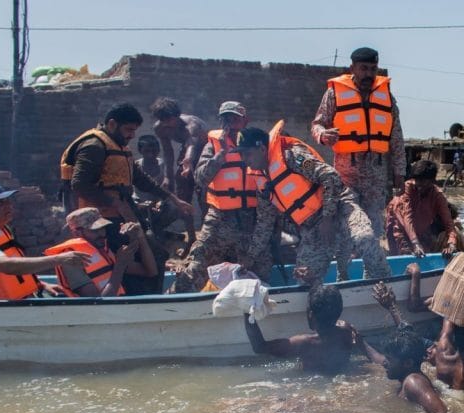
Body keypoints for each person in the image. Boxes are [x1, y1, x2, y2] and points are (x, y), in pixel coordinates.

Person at [61, 102, 193, 293]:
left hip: (122, 214)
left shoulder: (119, 147)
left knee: (155, 254)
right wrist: (114, 203)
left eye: (134, 130)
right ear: (112, 124)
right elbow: (80, 184)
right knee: (135, 259)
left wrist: (173, 199)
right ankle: (133, 299)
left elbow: (140, 179)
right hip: (100, 221)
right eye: (128, 130)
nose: (132, 135)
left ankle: (150, 299)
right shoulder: (93, 146)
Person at [239, 124, 391, 287]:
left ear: (262, 149)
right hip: (312, 228)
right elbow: (264, 223)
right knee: (303, 278)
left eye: (247, 154)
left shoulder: (292, 156)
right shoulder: (261, 181)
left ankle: (388, 285)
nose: (244, 160)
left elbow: (329, 176)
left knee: (365, 239)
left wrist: (328, 216)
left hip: (340, 206)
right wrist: (251, 256)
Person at [174, 103, 275, 292]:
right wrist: (219, 158)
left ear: (245, 121)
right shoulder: (213, 145)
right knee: (197, 263)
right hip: (219, 218)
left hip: (251, 219)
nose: (231, 123)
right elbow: (200, 178)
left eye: (236, 119)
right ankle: (177, 303)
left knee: (260, 266)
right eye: (226, 118)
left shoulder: (258, 143)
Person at [311, 46, 406, 241]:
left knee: (373, 229)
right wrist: (322, 134)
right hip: (347, 175)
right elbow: (317, 123)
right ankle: (345, 268)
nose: (369, 74)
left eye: (373, 69)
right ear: (352, 68)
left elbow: (396, 137)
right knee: (347, 224)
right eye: (363, 68)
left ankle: (372, 268)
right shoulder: (333, 94)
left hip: (376, 176)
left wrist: (400, 172)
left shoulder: (387, 98)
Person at [357, 287, 448, 413]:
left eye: (389, 359)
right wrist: (361, 342)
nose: (384, 363)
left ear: (407, 363)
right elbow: (407, 333)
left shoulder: (413, 382)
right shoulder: (408, 375)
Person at [243, 284, 360, 375]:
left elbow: (259, 347)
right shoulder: (347, 331)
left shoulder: (304, 343)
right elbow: (330, 306)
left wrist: (248, 311)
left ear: (310, 315)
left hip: (312, 387)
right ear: (339, 311)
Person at [44, 207, 157, 297]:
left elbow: (150, 271)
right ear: (77, 233)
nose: (102, 234)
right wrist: (120, 265)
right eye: (94, 230)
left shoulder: (104, 251)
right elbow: (98, 304)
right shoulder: (70, 260)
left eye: (102, 228)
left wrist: (140, 237)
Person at [385, 159, 464, 256]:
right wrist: (415, 243)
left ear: (432, 181)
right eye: (417, 181)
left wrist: (452, 243)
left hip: (419, 227)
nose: (419, 187)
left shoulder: (438, 196)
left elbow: (448, 222)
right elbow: (407, 217)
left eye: (423, 183)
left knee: (422, 254)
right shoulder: (408, 188)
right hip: (398, 222)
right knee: (400, 253)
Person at [149, 97, 208, 205]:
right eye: (163, 120)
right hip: (186, 149)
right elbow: (168, 152)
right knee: (181, 181)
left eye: (169, 120)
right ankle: (187, 217)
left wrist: (188, 159)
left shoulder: (191, 124)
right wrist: (168, 177)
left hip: (207, 150)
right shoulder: (160, 128)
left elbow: (192, 144)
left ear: (177, 115)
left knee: (203, 187)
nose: (166, 123)